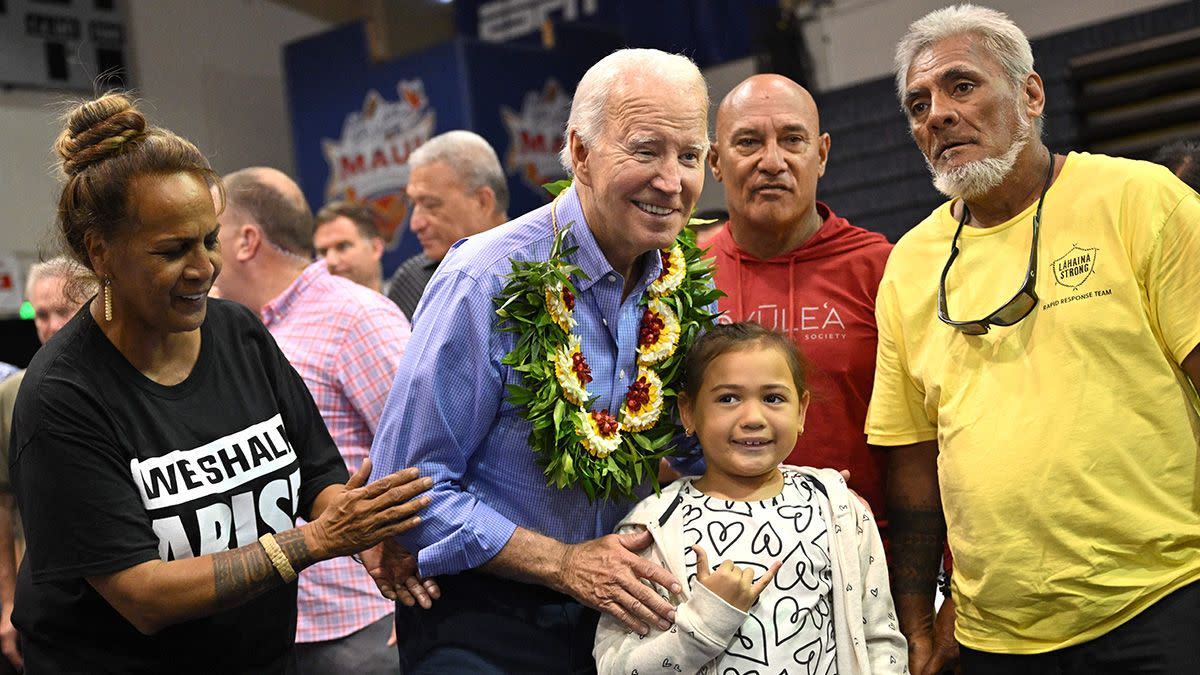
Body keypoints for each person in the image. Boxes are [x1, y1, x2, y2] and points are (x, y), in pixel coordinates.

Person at [9, 92, 432, 673]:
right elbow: (144, 595)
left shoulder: (236, 331)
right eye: (172, 250)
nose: (205, 268)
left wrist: (364, 536)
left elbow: (317, 473)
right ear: (101, 253)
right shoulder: (62, 394)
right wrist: (316, 541)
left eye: (209, 240)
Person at [869, 5, 1200, 674]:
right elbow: (911, 469)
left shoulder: (1142, 200)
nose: (936, 113)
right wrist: (917, 627)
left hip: (1161, 604)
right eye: (917, 102)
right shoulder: (908, 263)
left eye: (962, 85)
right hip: (998, 638)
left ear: (1030, 93)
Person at [369, 48, 711, 672]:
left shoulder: (682, 287)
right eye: (645, 150)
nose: (672, 180)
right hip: (484, 624)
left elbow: (694, 452)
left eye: (689, 156)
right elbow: (408, 491)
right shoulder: (483, 279)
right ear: (579, 153)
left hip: (623, 623)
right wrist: (563, 564)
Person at [593, 321, 906, 674]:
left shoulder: (839, 510)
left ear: (801, 410)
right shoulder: (652, 527)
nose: (753, 418)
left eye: (773, 398)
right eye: (728, 398)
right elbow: (615, 666)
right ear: (688, 412)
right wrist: (705, 623)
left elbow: (880, 640)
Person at [215, 167, 425, 674]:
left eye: (209, 233)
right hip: (265, 625)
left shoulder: (356, 317)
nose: (199, 251)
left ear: (246, 241)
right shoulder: (226, 331)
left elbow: (424, 461)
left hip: (355, 621)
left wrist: (418, 600)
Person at [707, 73, 893, 523]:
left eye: (792, 140)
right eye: (748, 142)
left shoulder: (883, 270)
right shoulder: (680, 274)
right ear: (715, 161)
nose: (772, 161)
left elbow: (929, 437)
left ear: (822, 153)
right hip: (713, 559)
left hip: (864, 560)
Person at [0, 256, 94, 672]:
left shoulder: (127, 385)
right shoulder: (14, 394)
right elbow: (2, 505)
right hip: (44, 599)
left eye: (64, 311)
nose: (52, 325)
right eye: (41, 314)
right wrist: (6, 603)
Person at [386, 130, 508, 322]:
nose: (415, 224)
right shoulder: (411, 282)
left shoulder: (545, 269)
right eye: (413, 204)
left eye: (431, 205)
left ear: (483, 202)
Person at [313, 201, 387, 293]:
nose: (331, 261)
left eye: (342, 247)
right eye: (323, 252)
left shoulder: (406, 302)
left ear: (376, 248)